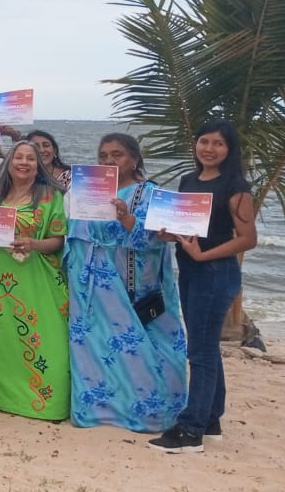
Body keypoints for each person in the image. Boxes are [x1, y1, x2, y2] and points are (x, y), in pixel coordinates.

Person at [65, 133, 187, 433]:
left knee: (141, 345)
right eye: (103, 155)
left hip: (131, 283)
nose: (109, 160)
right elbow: (73, 232)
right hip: (88, 282)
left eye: (117, 154)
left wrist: (126, 219)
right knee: (93, 345)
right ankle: (97, 410)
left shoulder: (150, 193)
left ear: (134, 159)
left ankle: (149, 413)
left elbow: (157, 238)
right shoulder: (87, 189)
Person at [149, 120, 258, 453]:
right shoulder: (189, 180)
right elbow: (187, 226)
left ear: (229, 149)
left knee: (200, 351)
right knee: (205, 346)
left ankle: (191, 430)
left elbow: (247, 239)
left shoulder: (236, 186)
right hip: (192, 271)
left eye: (218, 143)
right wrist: (168, 233)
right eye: (204, 141)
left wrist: (203, 253)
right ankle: (210, 420)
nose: (209, 148)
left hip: (215, 272)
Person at [0, 140, 69, 421]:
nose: (24, 162)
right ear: (9, 162)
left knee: (45, 337)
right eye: (18, 157)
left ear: (38, 165)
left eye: (31, 158)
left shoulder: (51, 195)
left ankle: (45, 401)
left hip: (36, 278)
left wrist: (33, 243)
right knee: (1, 334)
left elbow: (58, 240)